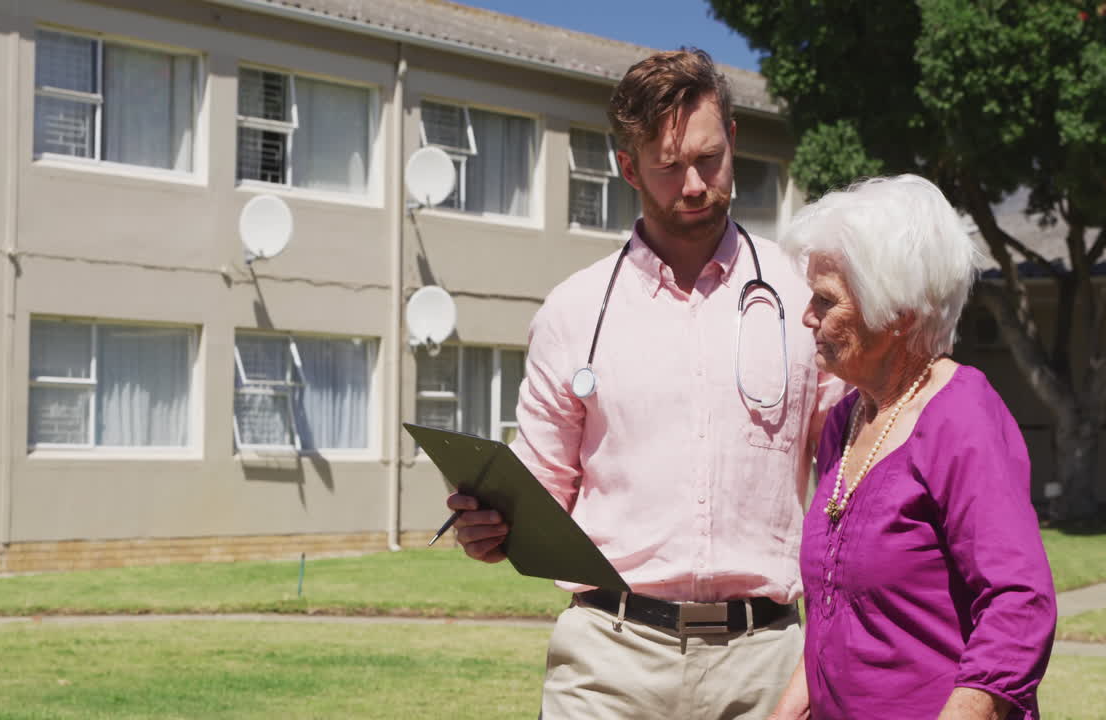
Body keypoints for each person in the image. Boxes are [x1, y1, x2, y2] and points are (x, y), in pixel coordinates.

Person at [447, 49, 844, 718]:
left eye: (709, 159)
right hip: (608, 660)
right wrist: (489, 528)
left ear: (733, 141)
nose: (694, 184)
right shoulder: (574, 313)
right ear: (628, 167)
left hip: (766, 663)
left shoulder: (801, 300)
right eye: (667, 167)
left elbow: (847, 477)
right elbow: (539, 489)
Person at [766, 175, 1057, 720]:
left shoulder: (960, 416)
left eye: (825, 300)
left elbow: (1020, 605)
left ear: (896, 315)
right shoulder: (846, 420)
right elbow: (838, 613)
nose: (807, 315)